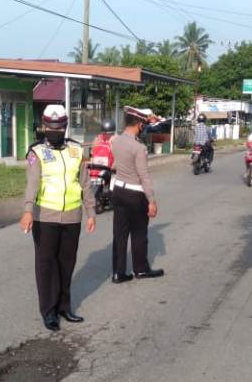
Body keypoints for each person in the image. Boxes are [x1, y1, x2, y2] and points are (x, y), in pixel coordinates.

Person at [20, 105, 97, 331]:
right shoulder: (36, 152)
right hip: (45, 217)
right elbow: (32, 183)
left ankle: (64, 306)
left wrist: (90, 211)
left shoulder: (75, 150)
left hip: (72, 217)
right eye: (50, 127)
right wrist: (27, 211)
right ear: (44, 126)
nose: (54, 130)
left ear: (64, 126)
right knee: (46, 265)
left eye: (59, 127)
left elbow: (85, 183)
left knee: (67, 263)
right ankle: (49, 311)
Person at [109, 107, 164, 283]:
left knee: (119, 233)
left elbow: (115, 165)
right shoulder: (138, 147)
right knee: (139, 234)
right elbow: (144, 176)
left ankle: (118, 272)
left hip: (118, 191)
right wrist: (152, 201)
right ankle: (140, 269)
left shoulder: (115, 140)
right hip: (135, 194)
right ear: (140, 125)